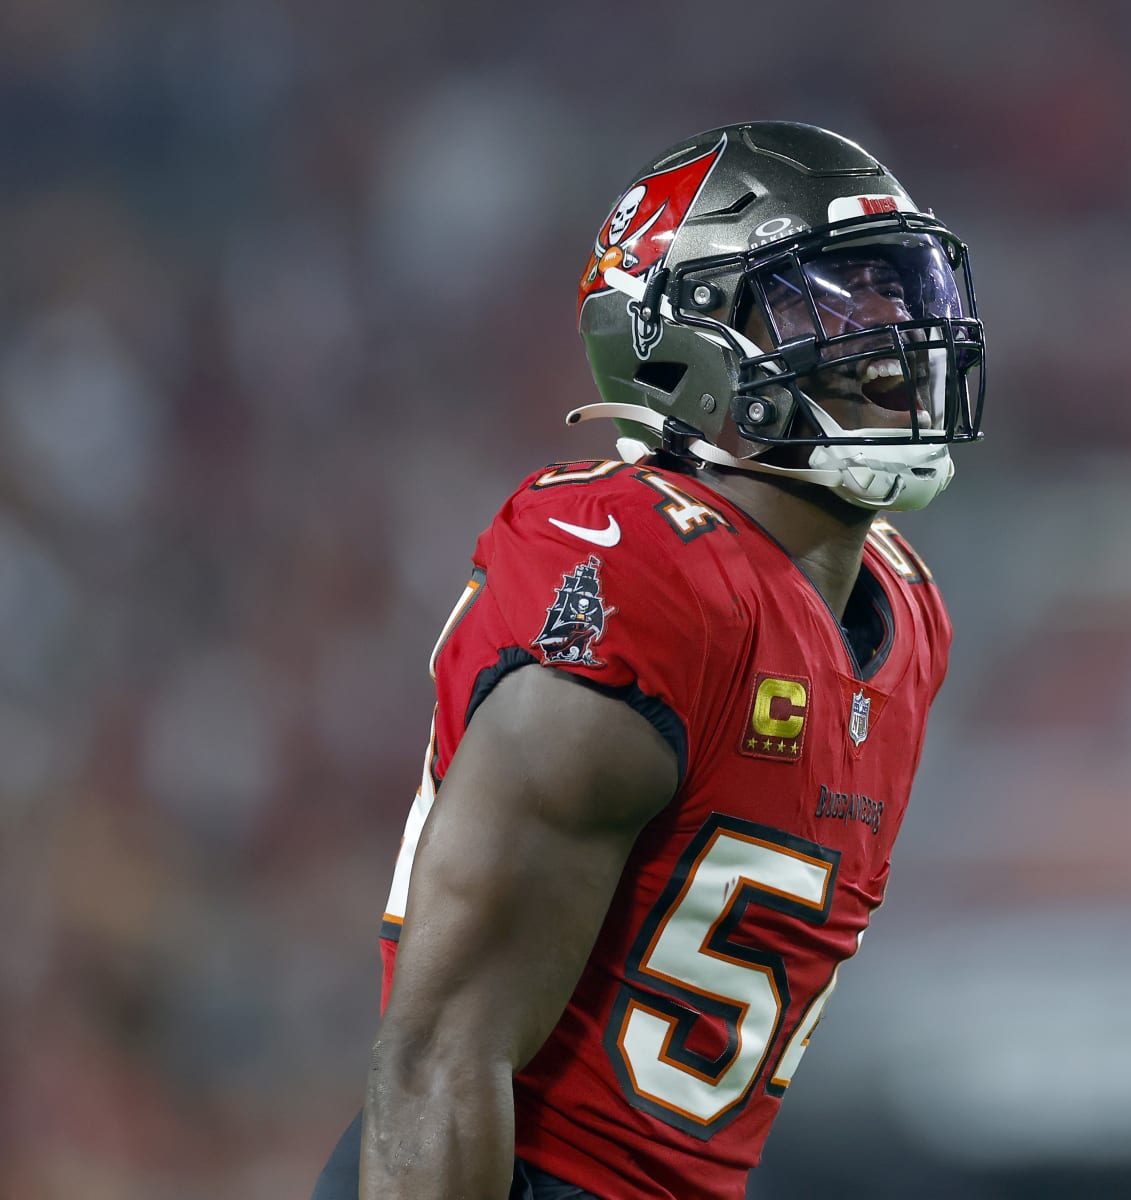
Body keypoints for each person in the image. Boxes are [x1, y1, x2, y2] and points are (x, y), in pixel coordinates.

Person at [311, 121, 985, 1200]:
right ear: (685, 341)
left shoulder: (904, 610)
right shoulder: (644, 581)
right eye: (833, 294)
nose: (894, 328)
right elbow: (441, 1052)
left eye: (899, 287)